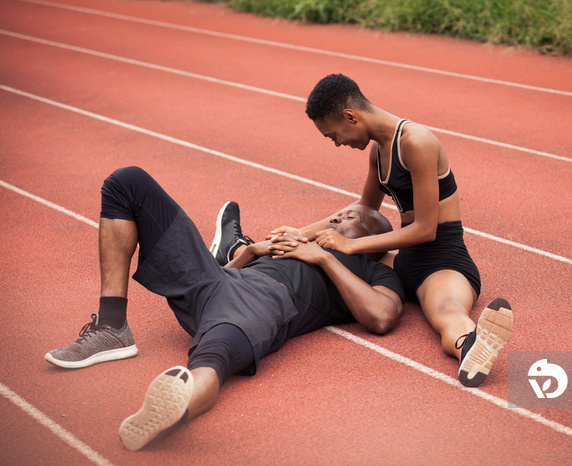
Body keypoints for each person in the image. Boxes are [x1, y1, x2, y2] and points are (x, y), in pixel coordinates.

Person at [45, 166, 404, 451]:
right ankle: (112, 327)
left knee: (211, 362)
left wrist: (325, 258)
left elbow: (383, 317)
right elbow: (222, 283)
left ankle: (176, 406)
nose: (334, 219)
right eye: (337, 214)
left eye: (349, 217)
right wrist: (247, 254)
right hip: (215, 281)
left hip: (261, 303)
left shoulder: (369, 270)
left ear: (371, 238)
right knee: (127, 182)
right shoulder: (296, 242)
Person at [268, 74, 513, 388]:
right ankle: (241, 252)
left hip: (441, 262)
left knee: (447, 312)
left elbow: (426, 230)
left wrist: (351, 245)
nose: (337, 143)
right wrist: (301, 234)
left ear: (350, 117)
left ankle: (472, 346)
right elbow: (363, 210)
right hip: (402, 261)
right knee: (324, 258)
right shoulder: (378, 151)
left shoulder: (416, 141)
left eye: (333, 136)